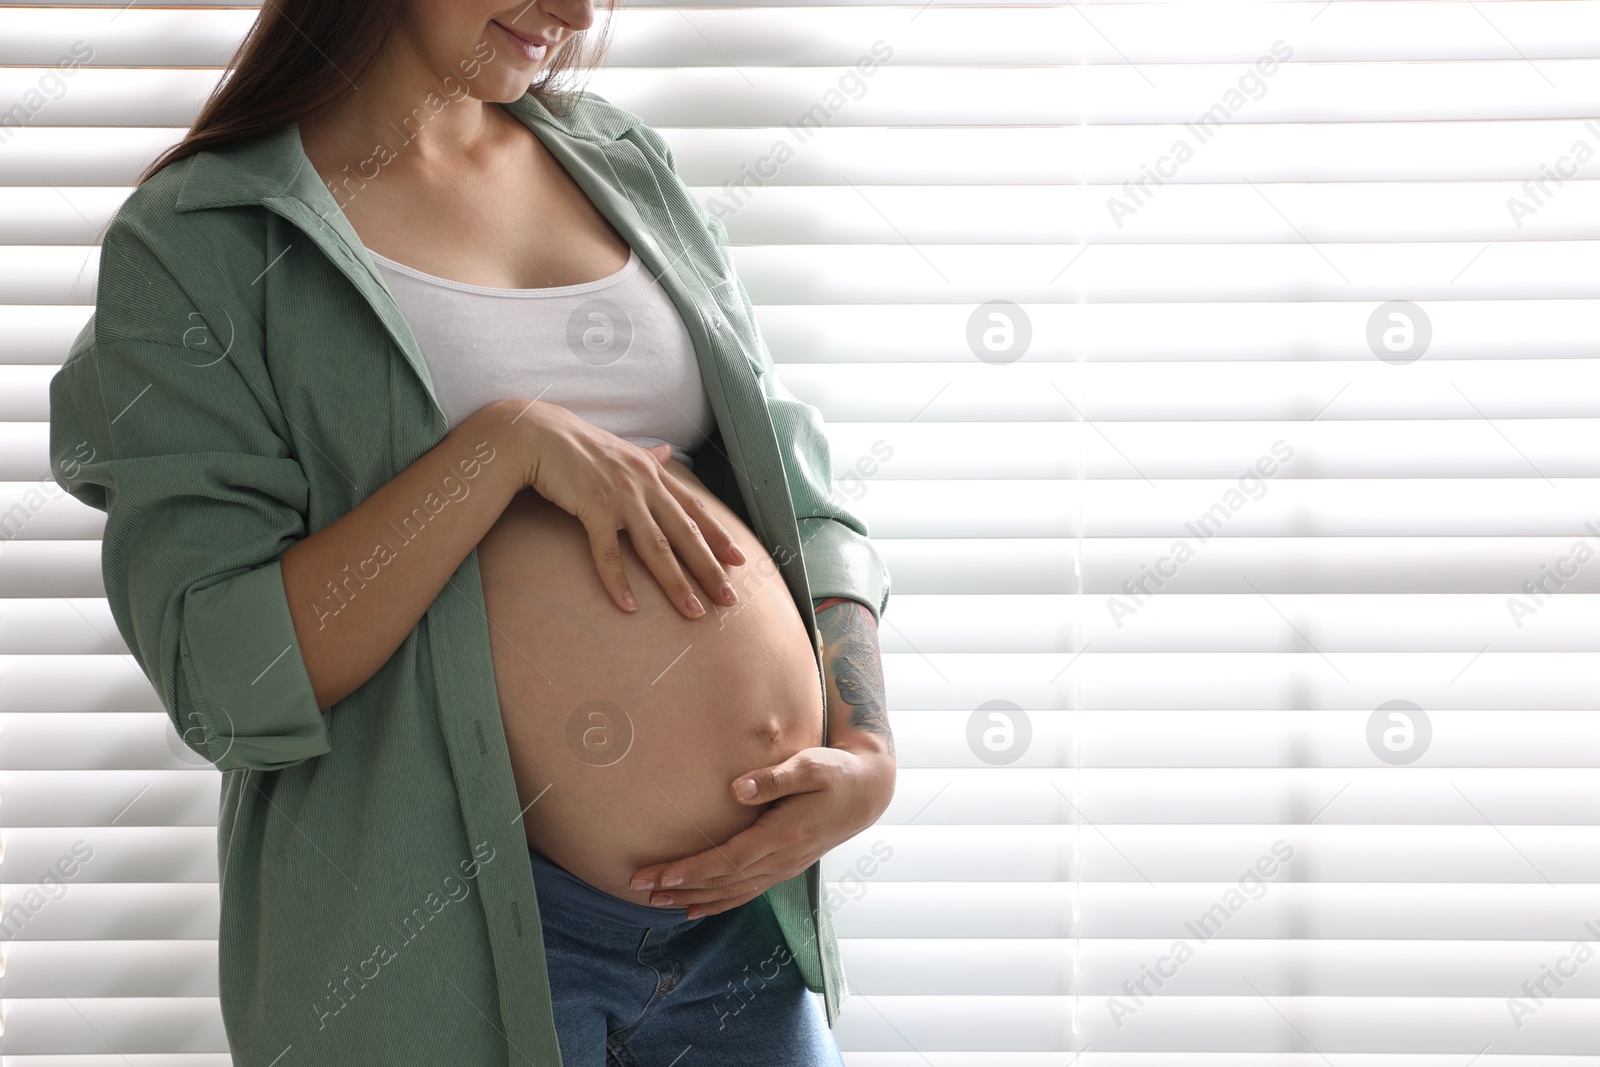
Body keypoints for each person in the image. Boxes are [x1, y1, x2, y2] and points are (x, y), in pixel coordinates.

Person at [47, 2, 895, 1064]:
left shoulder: (621, 164)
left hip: (738, 931)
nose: (577, 11)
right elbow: (225, 671)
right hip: (436, 948)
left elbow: (797, 493)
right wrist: (496, 451)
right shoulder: (206, 239)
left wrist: (865, 741)